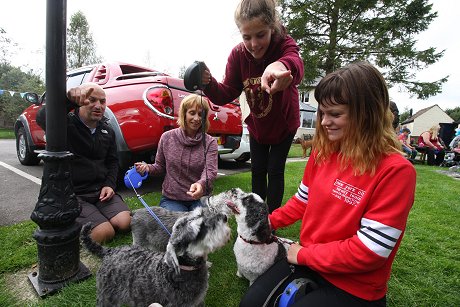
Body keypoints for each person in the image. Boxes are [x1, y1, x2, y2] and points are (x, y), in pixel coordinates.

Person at [240, 61, 416, 307]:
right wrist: (266, 223)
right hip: (310, 262)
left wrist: (303, 254)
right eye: (322, 113)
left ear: (367, 114)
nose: (323, 122)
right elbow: (302, 201)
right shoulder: (323, 153)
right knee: (250, 303)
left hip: (355, 285)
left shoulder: (396, 171)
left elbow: (370, 251)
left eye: (335, 114)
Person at [200, 0, 304, 213]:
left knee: (275, 171)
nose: (254, 44)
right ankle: (256, 215)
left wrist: (280, 65)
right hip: (258, 124)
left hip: (284, 123)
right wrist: (208, 83)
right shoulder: (238, 56)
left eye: (260, 35)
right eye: (247, 37)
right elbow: (226, 92)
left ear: (271, 28)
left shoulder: (283, 43)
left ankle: (271, 220)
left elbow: (295, 62)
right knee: (257, 170)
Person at [36, 83, 131, 243]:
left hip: (100, 192)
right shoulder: (65, 124)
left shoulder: (107, 130)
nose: (98, 106)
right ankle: (85, 220)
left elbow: (113, 161)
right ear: (79, 101)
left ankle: (96, 215)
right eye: (91, 100)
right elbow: (43, 118)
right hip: (74, 194)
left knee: (125, 223)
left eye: (102, 101)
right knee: (104, 233)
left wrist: (109, 185)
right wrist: (68, 101)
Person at [135, 94, 218, 212]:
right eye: (192, 113)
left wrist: (201, 184)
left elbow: (210, 171)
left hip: (201, 198)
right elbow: (160, 167)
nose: (197, 118)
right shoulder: (167, 137)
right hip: (172, 199)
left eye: (201, 114)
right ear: (184, 114)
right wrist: (147, 167)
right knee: (178, 225)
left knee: (204, 226)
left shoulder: (210, 142)